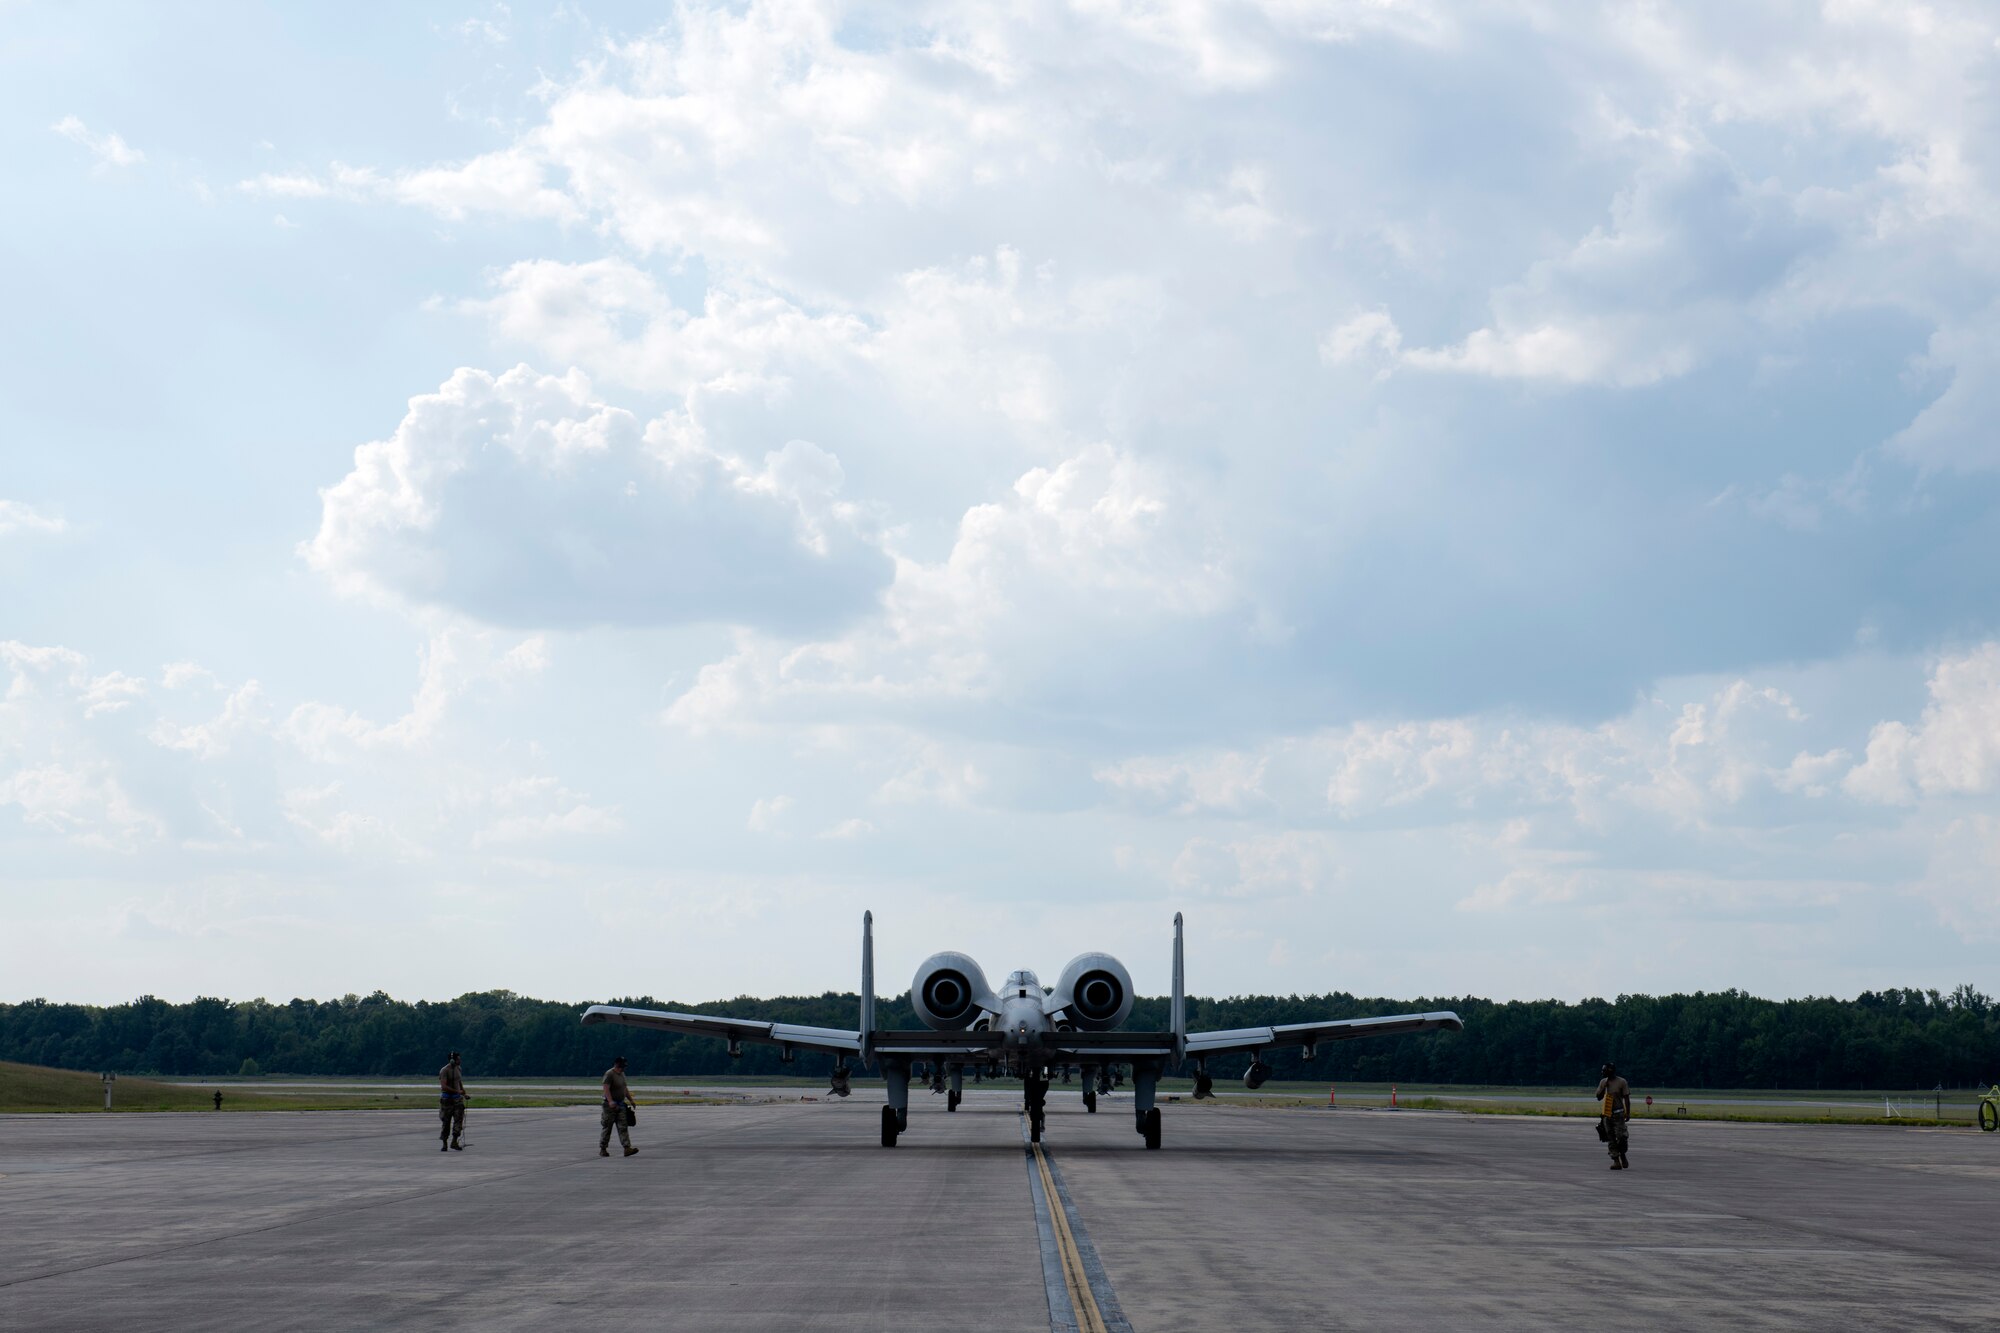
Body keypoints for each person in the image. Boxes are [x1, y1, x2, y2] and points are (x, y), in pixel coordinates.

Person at [600, 1055, 639, 1158]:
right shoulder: (609, 1074)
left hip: (621, 1104)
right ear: (617, 1064)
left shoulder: (622, 1074)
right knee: (607, 1127)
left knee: (623, 1127)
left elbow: (624, 1088)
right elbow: (606, 1088)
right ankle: (603, 1149)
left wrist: (631, 1100)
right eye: (622, 1066)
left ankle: (627, 1148)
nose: (623, 1068)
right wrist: (610, 1101)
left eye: (624, 1066)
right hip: (609, 1106)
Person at [1596, 1062, 1631, 1169]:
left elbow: (1626, 1098)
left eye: (1604, 1070)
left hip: (1619, 1114)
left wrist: (1628, 1113)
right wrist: (1604, 1087)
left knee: (1622, 1137)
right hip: (1607, 1115)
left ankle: (1622, 1154)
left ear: (1610, 1070)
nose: (1602, 1072)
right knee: (1610, 1138)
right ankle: (1616, 1161)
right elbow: (1598, 1097)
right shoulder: (1603, 1082)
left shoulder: (1622, 1082)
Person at [438, 1051, 468, 1152]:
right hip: (447, 1100)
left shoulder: (459, 1069)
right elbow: (444, 1086)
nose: (460, 1061)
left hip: (457, 1099)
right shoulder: (444, 1070)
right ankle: (444, 1143)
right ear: (452, 1060)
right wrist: (457, 1091)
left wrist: (464, 1093)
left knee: (458, 1121)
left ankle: (454, 1142)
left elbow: (459, 1082)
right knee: (446, 1122)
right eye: (458, 1059)